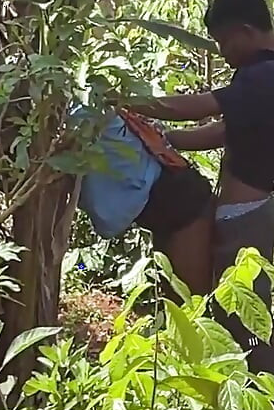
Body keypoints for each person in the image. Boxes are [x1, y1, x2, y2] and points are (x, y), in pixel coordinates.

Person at [124, 0, 274, 407]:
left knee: (245, 315)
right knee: (232, 310)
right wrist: (168, 140)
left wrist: (130, 102)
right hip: (244, 211)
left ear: (244, 30)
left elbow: (198, 107)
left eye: (223, 41)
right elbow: (225, 130)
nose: (222, 51)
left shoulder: (266, 76)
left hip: (245, 216)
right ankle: (254, 404)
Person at [73, 108, 215, 292]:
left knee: (192, 297)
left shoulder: (83, 108)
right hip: (166, 200)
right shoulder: (81, 108)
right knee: (179, 294)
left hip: (182, 203)